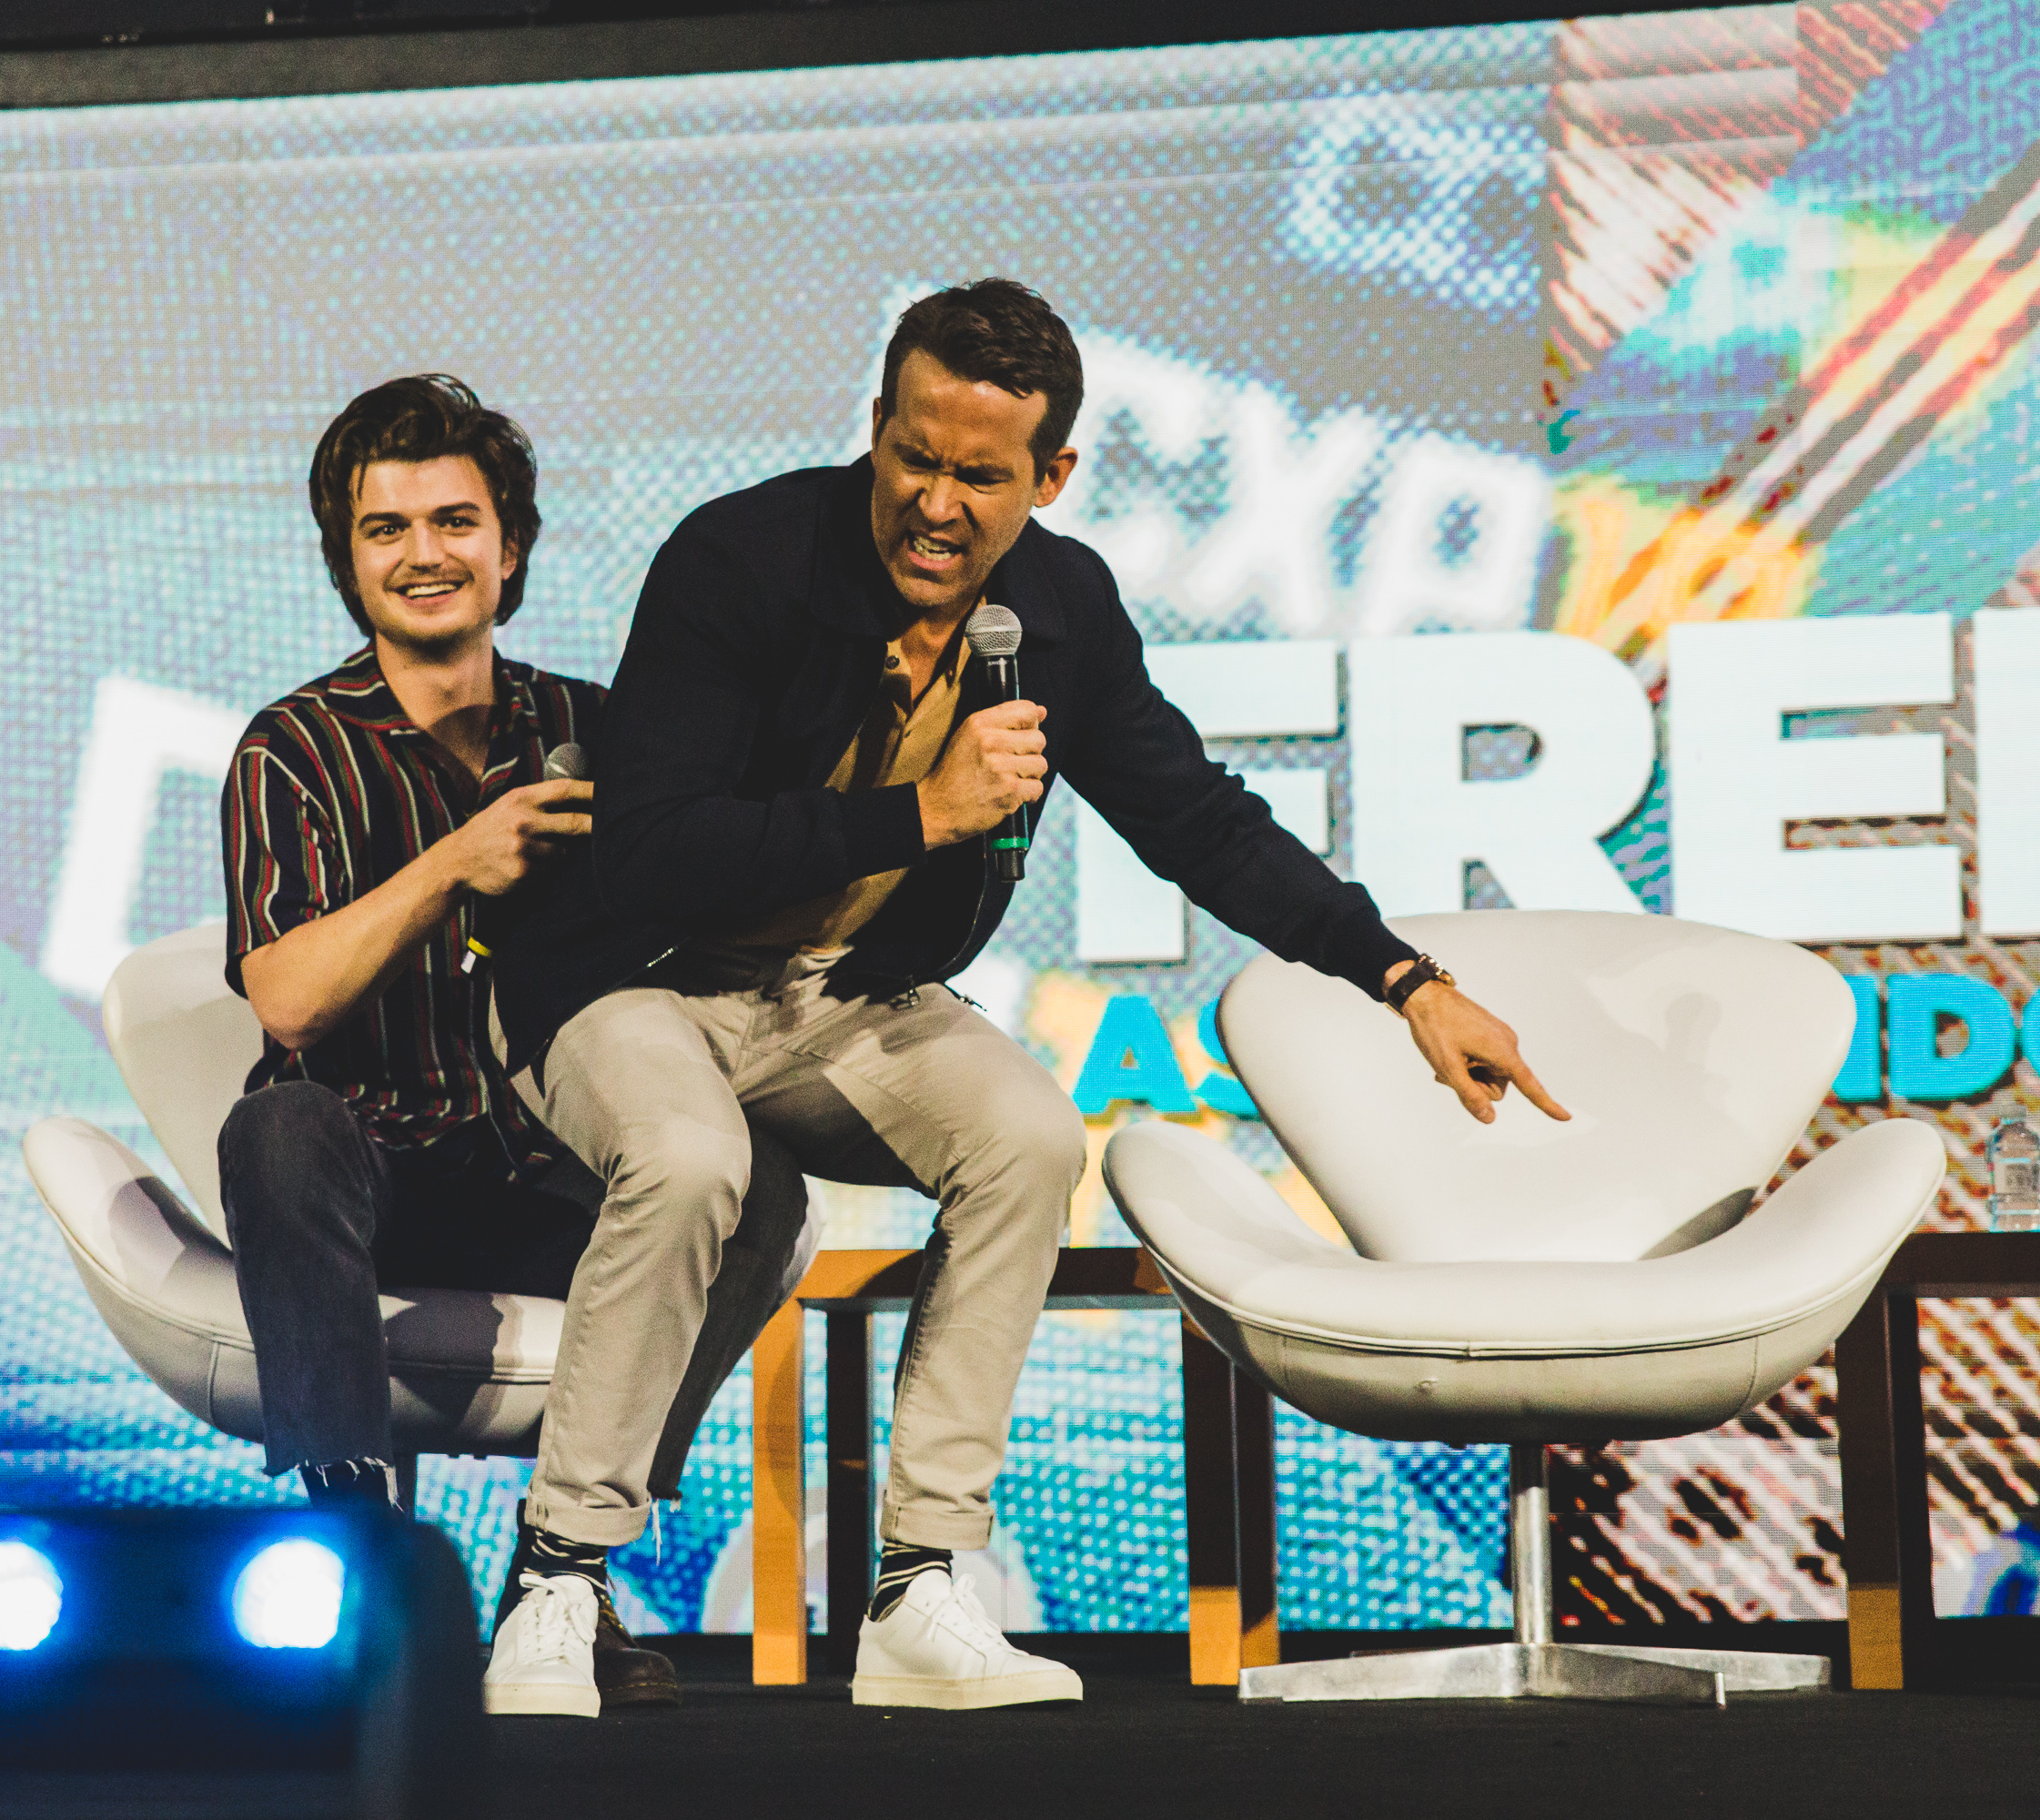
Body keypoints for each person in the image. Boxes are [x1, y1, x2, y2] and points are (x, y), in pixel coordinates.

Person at [493, 280, 1569, 1711]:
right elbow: (649, 850)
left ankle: (919, 1588)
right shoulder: (742, 558)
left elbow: (1198, 821)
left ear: (1050, 477)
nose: (935, 504)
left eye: (980, 476)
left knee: (1030, 1139)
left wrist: (1406, 980)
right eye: (913, 458)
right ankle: (558, 1580)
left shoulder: (1059, 616)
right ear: (875, 428)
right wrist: (918, 814)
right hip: (626, 976)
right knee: (691, 1157)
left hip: (838, 996)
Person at [218, 374, 811, 1716]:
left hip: (549, 1175)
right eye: (386, 529)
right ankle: (354, 1552)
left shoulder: (603, 731)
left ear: (512, 546)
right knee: (278, 1123)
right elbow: (287, 1003)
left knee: (761, 1193)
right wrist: (454, 863)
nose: (423, 554)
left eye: (455, 521)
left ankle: (562, 1569)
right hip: (368, 1179)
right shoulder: (291, 749)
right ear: (346, 560)